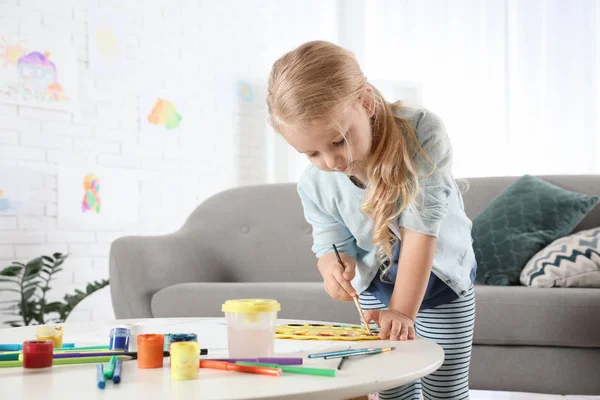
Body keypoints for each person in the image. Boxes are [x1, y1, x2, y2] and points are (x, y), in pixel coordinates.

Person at [267, 40, 477, 400]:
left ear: (365, 102)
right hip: (376, 290)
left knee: (445, 389)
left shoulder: (422, 133)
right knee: (391, 389)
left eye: (338, 141)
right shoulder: (314, 183)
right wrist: (332, 266)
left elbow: (421, 231)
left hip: (442, 284)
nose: (330, 161)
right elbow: (330, 241)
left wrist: (403, 312)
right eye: (311, 152)